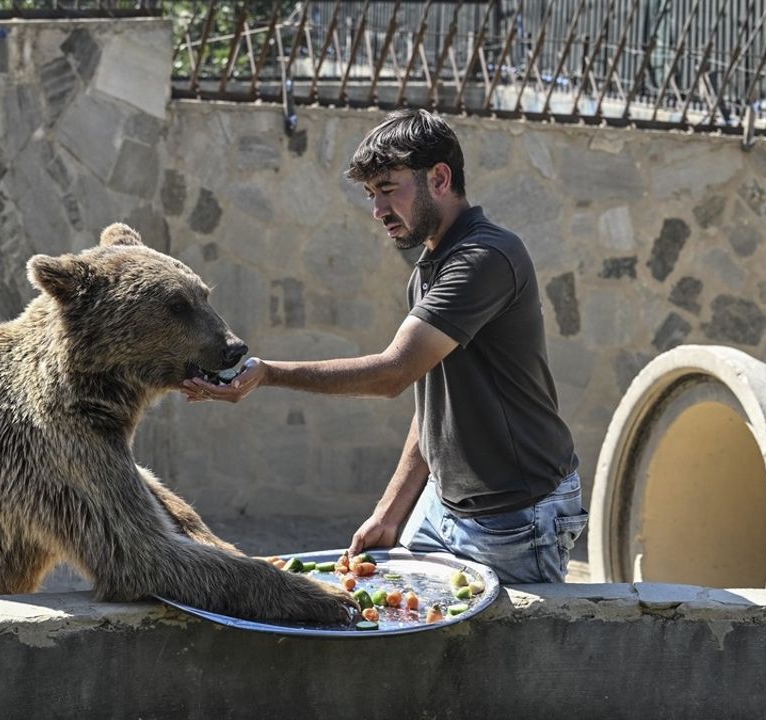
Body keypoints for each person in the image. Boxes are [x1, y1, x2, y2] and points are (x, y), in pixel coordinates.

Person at [181, 109, 586, 584]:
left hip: (517, 516)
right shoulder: (431, 267)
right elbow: (433, 399)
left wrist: (269, 373)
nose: (377, 211)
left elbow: (393, 374)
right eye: (371, 194)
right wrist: (390, 512)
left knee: (501, 656)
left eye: (388, 189)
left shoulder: (485, 258)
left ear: (439, 177)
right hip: (444, 506)